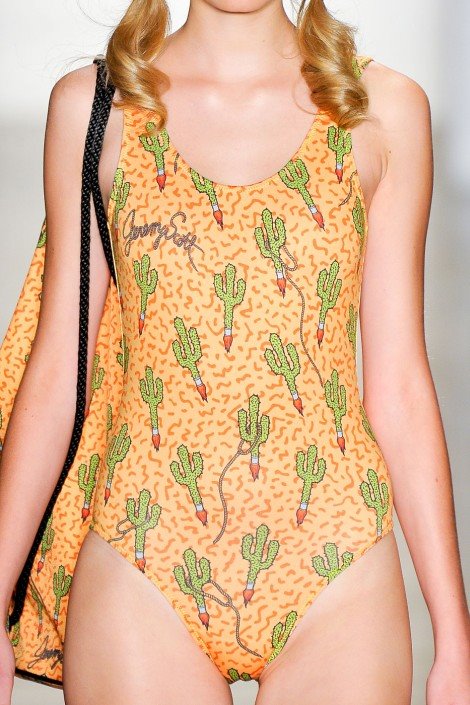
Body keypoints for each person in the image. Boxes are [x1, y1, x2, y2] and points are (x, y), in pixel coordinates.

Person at [1, 1, 469, 704]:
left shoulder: (381, 111)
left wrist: (456, 638)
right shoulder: (99, 107)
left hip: (338, 560)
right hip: (141, 551)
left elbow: (399, 380)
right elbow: (59, 370)